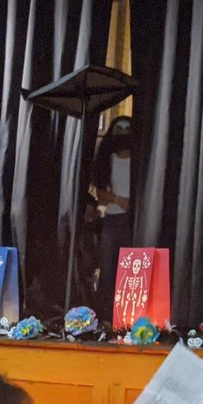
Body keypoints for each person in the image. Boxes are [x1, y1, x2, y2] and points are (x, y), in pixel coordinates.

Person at [90, 115, 134, 312]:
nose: (124, 132)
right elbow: (99, 192)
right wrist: (118, 200)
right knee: (108, 268)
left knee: (131, 269)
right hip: (113, 219)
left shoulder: (139, 160)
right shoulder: (107, 160)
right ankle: (105, 313)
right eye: (119, 128)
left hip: (133, 220)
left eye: (127, 128)